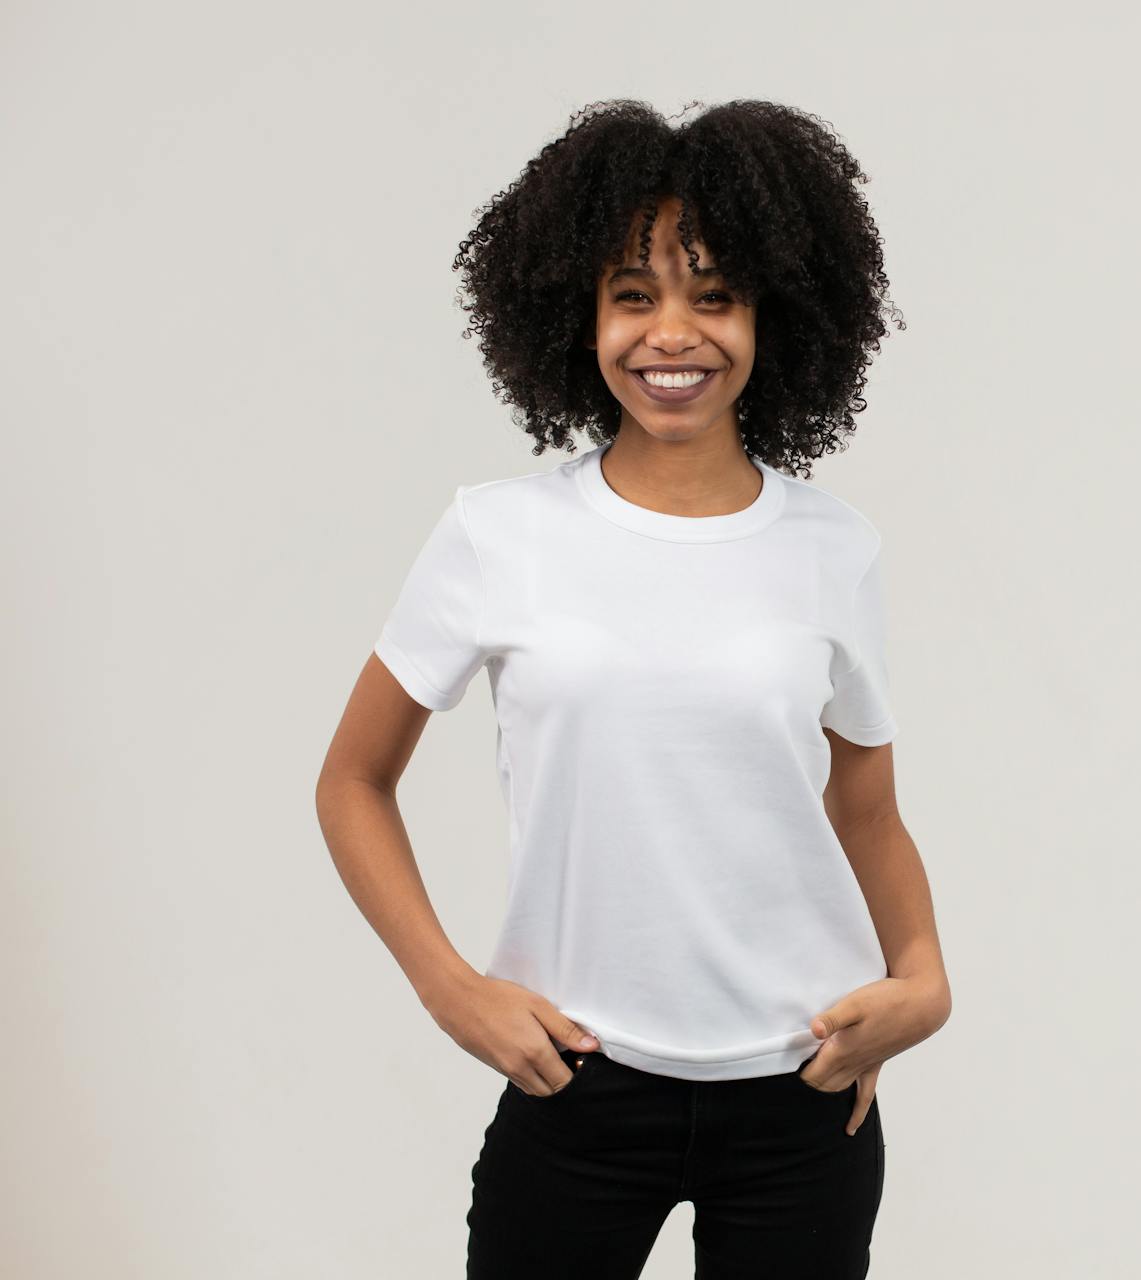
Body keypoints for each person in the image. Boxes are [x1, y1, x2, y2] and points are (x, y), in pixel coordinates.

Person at [313, 98, 952, 1279]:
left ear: (775, 315)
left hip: (801, 1094)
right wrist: (452, 987)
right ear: (579, 313)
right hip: (575, 1084)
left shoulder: (832, 547)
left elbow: (866, 807)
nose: (674, 333)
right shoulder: (497, 535)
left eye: (714, 294)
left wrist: (924, 982)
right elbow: (353, 779)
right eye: (633, 293)